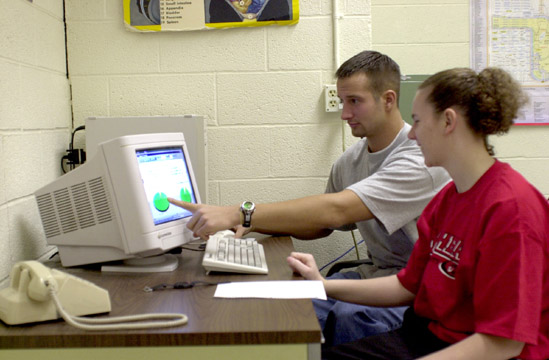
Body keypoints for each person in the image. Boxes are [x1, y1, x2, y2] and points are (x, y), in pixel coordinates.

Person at [169, 50, 450, 346]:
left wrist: (242, 213)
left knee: (352, 317)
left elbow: (336, 211)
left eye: (355, 101)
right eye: (342, 102)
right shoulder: (350, 160)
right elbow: (322, 226)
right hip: (376, 274)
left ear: (389, 100)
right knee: (290, 304)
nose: (344, 114)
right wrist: (256, 224)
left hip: (416, 287)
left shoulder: (419, 159)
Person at [286, 66, 549, 359]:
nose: (412, 135)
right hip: (425, 336)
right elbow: (406, 286)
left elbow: (503, 343)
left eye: (418, 121)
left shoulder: (511, 210)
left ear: (448, 121)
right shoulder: (449, 198)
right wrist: (323, 286)